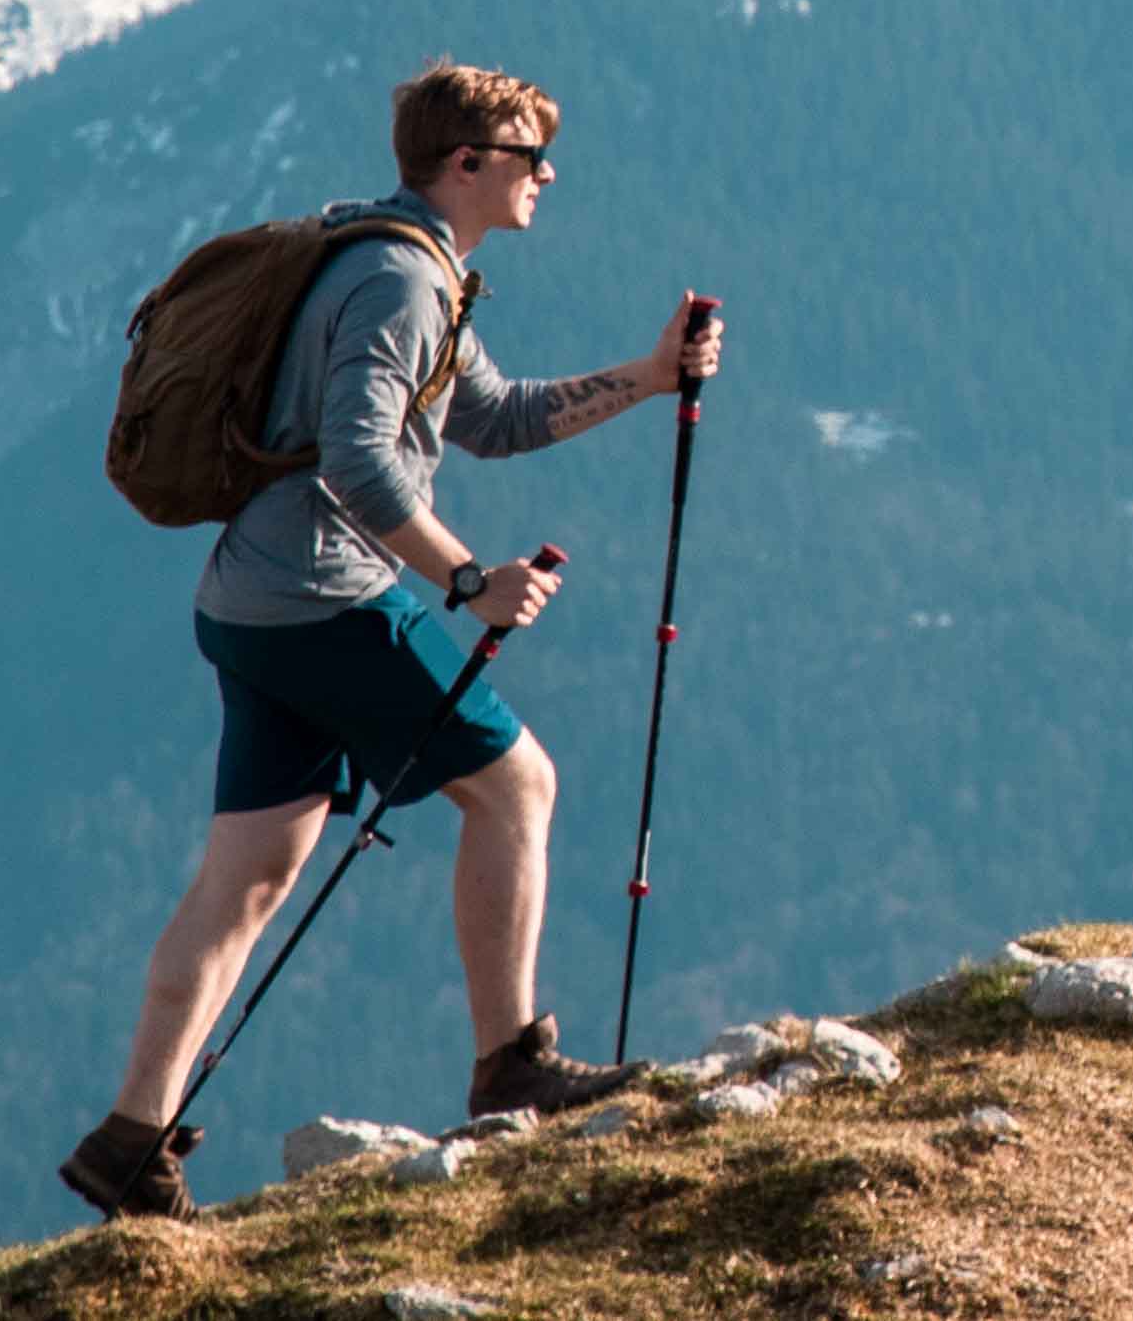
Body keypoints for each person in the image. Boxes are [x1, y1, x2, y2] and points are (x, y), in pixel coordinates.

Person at [59, 60, 727, 1220]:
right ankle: (509, 1059)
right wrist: (468, 580)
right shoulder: (398, 285)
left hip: (252, 605)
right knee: (518, 786)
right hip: (327, 599)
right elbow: (360, 458)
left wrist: (650, 374)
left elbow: (493, 418)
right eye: (529, 157)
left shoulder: (408, 267)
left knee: (246, 879)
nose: (547, 176)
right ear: (466, 163)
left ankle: (129, 1138)